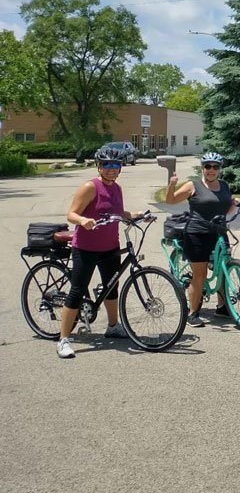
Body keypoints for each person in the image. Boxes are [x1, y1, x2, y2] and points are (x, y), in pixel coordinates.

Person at [56, 147, 142, 359]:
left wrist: (136, 215)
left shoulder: (117, 188)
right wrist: (83, 220)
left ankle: (112, 326)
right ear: (99, 166)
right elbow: (71, 214)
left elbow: (118, 213)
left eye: (116, 165)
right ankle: (64, 339)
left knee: (111, 287)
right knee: (77, 291)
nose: (112, 169)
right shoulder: (90, 187)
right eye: (107, 165)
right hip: (85, 248)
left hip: (110, 246)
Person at [165, 151, 236, 327]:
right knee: (200, 274)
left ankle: (222, 306)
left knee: (223, 268)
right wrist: (171, 185)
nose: (211, 170)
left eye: (215, 167)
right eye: (207, 166)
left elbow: (225, 208)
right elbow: (170, 201)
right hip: (197, 233)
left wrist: (234, 203)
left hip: (219, 231)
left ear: (220, 169)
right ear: (202, 168)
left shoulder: (224, 186)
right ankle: (193, 312)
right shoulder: (193, 185)